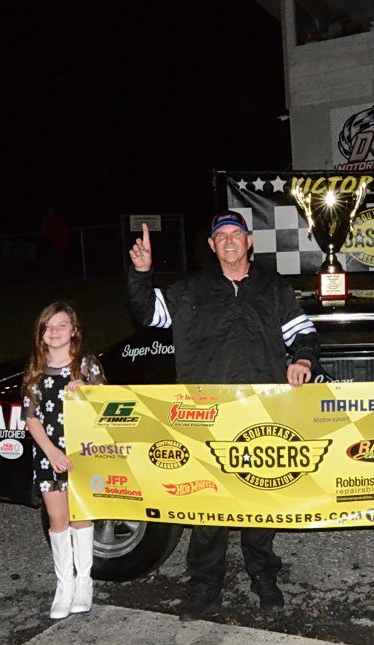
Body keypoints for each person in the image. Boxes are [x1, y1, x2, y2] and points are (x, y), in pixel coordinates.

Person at [126, 211, 319, 621]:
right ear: (212, 246)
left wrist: (303, 359)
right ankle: (204, 585)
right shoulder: (190, 289)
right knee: (207, 503)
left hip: (262, 411)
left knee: (261, 497)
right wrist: (141, 274)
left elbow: (303, 332)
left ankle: (263, 575)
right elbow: (148, 314)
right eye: (221, 236)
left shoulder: (273, 287)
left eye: (236, 234)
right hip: (204, 414)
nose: (229, 241)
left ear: (249, 241)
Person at [21, 302, 105, 619]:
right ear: (41, 333)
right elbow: (31, 417)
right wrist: (51, 452)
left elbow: (108, 405)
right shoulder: (35, 368)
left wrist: (87, 393)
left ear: (74, 331)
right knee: (58, 519)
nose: (54, 331)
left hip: (82, 453)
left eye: (61, 325)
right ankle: (64, 585)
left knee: (80, 517)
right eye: (48, 326)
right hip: (49, 454)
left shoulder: (86, 365)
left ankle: (84, 583)